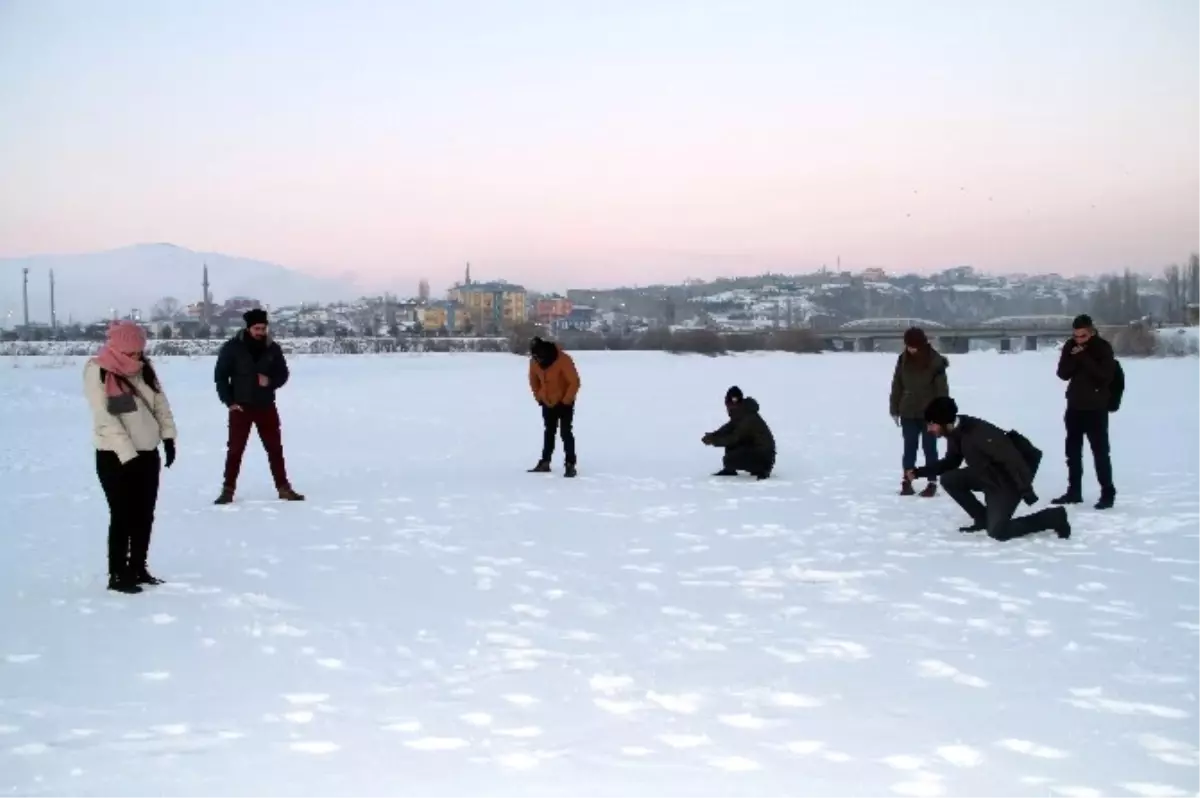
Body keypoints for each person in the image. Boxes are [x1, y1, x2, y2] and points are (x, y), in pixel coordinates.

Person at [84, 321, 177, 594]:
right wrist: (129, 455)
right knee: (122, 515)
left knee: (144, 515)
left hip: (148, 453)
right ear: (119, 347)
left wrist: (168, 437)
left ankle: (138, 567)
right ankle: (117, 574)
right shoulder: (98, 370)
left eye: (140, 352)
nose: (137, 357)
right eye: (132, 353)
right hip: (115, 457)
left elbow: (160, 403)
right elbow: (105, 419)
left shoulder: (144, 367)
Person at [910, 396, 1071, 541]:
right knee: (949, 479)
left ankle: (1054, 517)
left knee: (999, 532)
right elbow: (951, 462)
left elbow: (1012, 459)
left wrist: (1025, 489)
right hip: (986, 473)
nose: (929, 429)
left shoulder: (979, 434)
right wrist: (919, 472)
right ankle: (982, 519)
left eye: (932, 424)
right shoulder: (955, 431)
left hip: (1008, 479)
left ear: (944, 422)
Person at [213, 309, 304, 504]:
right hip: (241, 408)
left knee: (275, 449)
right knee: (235, 450)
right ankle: (228, 490)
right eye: (257, 328)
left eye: (263, 328)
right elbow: (220, 377)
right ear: (248, 328)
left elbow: (283, 374)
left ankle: (283, 488)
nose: (261, 332)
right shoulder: (232, 348)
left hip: (265, 406)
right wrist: (229, 402)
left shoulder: (273, 348)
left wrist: (270, 381)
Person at [1052, 314, 1117, 509]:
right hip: (1074, 407)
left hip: (1096, 409)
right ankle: (1074, 492)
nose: (1078, 339)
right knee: (1072, 453)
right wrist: (1073, 356)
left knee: (1100, 453)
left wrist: (1083, 356)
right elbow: (1063, 373)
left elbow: (1104, 376)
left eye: (1082, 336)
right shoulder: (1070, 346)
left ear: (1091, 332)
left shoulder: (1102, 348)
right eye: (1075, 336)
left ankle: (1107, 493)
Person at [889, 327, 949, 497]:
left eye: (914, 346)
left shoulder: (935, 362)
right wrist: (894, 408)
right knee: (909, 448)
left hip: (930, 414)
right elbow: (897, 385)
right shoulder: (903, 359)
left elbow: (942, 390)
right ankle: (907, 481)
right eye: (908, 345)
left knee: (930, 449)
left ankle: (932, 482)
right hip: (908, 411)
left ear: (922, 344)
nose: (911, 349)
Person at [527, 336, 581, 477]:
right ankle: (545, 462)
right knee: (549, 432)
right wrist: (539, 397)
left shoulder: (563, 360)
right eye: (534, 357)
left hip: (564, 402)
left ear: (545, 353)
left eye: (538, 357)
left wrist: (566, 400)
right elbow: (533, 381)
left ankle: (570, 464)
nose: (536, 360)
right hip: (547, 401)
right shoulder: (534, 361)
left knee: (565, 432)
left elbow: (574, 382)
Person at [702, 386, 776, 479]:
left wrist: (713, 441)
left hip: (764, 458)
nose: (730, 406)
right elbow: (728, 428)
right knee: (732, 446)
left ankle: (761, 470)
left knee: (729, 459)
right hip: (758, 452)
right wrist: (713, 435)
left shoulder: (748, 417)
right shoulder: (741, 414)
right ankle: (730, 470)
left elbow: (733, 438)